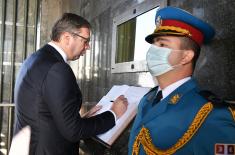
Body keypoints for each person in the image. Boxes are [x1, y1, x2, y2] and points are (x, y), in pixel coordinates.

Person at [13, 13, 128, 155]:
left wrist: (80, 120)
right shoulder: (57, 68)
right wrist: (113, 113)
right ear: (67, 38)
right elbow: (73, 131)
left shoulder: (33, 59)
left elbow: (45, 113)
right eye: (85, 41)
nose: (88, 47)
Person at [128, 6, 235, 155]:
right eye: (154, 44)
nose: (152, 50)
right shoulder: (147, 99)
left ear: (186, 57)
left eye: (163, 44)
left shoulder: (210, 115)